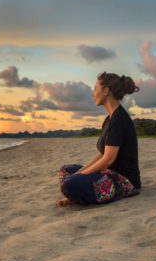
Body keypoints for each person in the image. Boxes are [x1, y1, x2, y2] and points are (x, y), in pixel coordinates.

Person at [57, 72, 141, 207]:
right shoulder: (109, 119)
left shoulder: (119, 119)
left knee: (70, 184)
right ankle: (78, 196)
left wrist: (81, 176)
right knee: (65, 170)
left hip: (124, 181)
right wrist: (81, 172)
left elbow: (108, 159)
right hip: (108, 173)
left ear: (106, 91)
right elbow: (102, 154)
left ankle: (76, 197)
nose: (93, 93)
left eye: (95, 89)